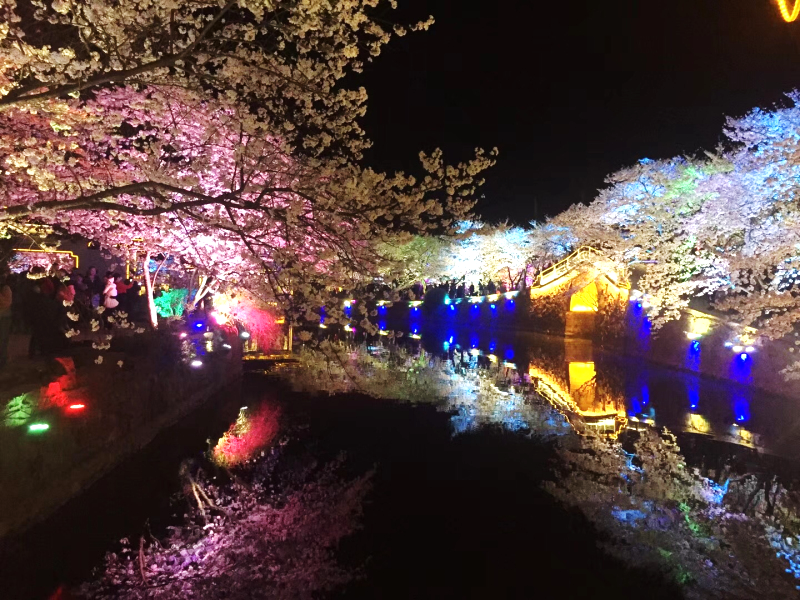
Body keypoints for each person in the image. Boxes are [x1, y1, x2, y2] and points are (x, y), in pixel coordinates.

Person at [0, 272, 12, 369]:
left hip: (4, 316)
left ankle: (2, 359)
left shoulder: (5, 288)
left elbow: (7, 302)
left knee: (3, 338)